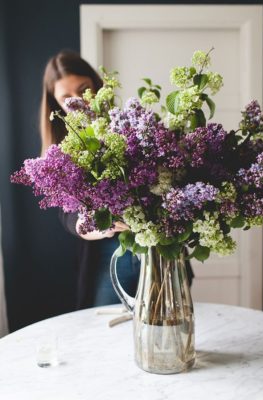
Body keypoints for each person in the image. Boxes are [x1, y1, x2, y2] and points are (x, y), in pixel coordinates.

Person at [40, 50, 194, 309]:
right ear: (55, 104)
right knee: (106, 334)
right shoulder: (60, 149)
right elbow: (67, 213)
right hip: (108, 254)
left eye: (84, 89)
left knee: (165, 323)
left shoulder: (128, 127)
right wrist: (92, 225)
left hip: (158, 249)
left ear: (97, 87)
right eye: (66, 97)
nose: (78, 101)